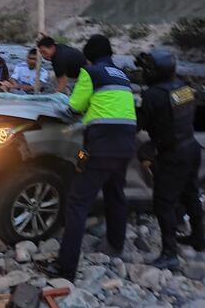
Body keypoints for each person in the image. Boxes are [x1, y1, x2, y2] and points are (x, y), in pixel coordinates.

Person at [41, 34, 137, 281]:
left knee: (77, 202)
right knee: (116, 194)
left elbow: (75, 106)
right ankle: (115, 245)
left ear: (90, 56)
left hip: (100, 146)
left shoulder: (90, 73)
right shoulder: (122, 76)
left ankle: (66, 268)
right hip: (126, 145)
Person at [136, 50, 205, 270]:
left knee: (163, 202)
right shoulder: (183, 87)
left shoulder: (153, 95)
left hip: (172, 154)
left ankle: (169, 254)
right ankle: (198, 238)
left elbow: (138, 124)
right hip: (191, 147)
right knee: (191, 194)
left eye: (148, 69)